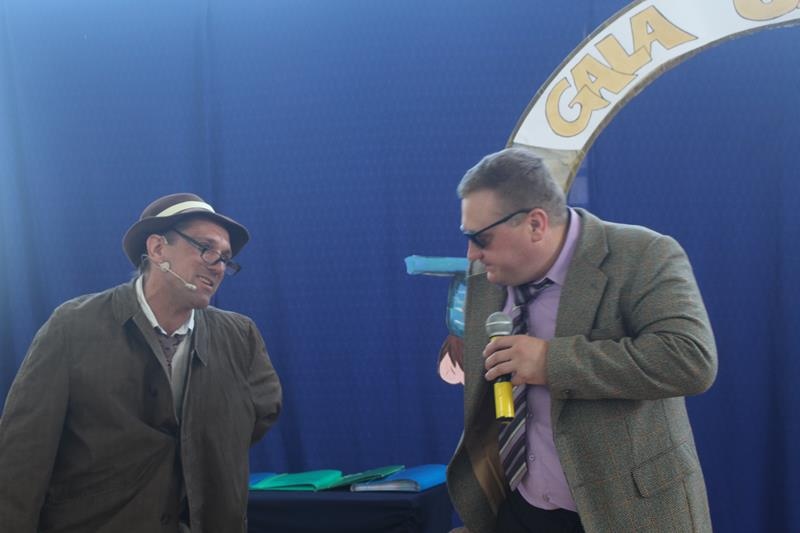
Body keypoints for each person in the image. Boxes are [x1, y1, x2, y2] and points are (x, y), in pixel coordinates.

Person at [446, 148, 717, 533]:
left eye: (481, 238)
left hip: (627, 513)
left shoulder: (643, 254)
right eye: (467, 237)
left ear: (535, 224)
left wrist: (549, 363)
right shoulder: (484, 278)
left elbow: (690, 360)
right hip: (520, 509)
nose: (472, 254)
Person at [0, 193, 282, 532]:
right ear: (158, 248)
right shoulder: (73, 326)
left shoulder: (240, 336)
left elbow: (262, 413)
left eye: (225, 258)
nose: (218, 265)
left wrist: (198, 447)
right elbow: (22, 452)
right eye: (206, 248)